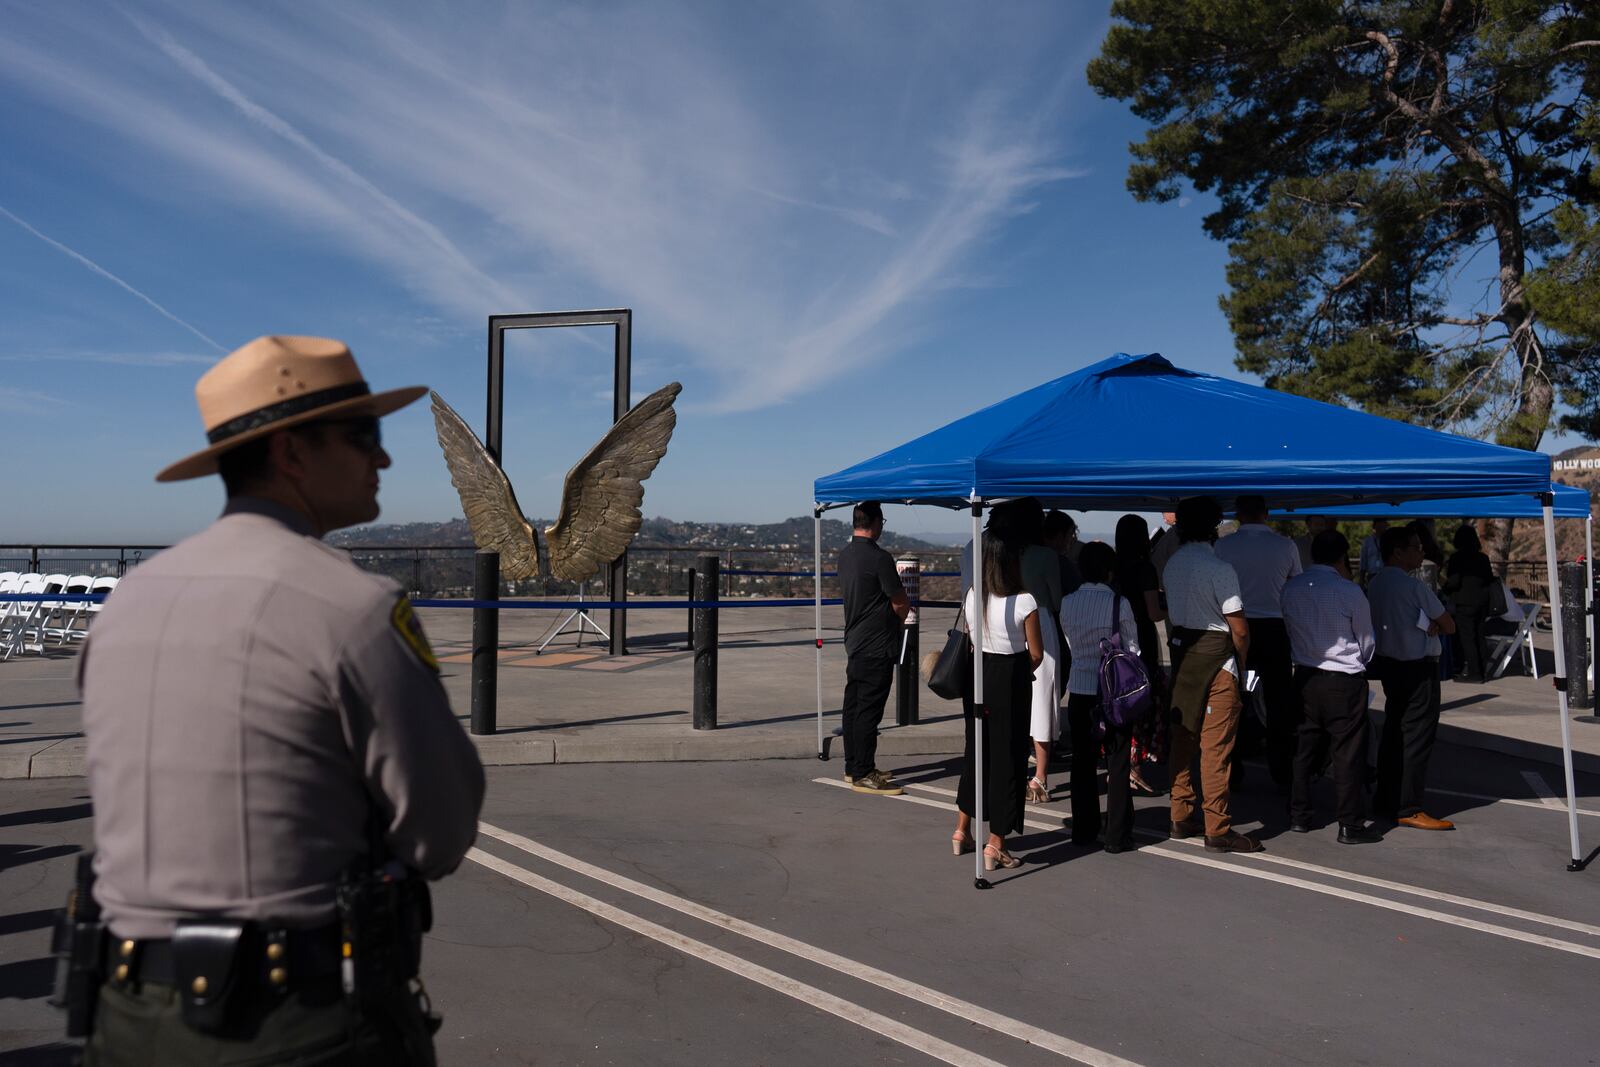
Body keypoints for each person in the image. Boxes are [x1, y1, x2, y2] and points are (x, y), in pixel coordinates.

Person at [76, 335, 486, 1065]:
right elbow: (440, 827)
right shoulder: (353, 607)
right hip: (292, 1019)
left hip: (124, 1015)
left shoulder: (125, 604)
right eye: (365, 436)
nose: (382, 459)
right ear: (292, 454)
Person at [1161, 496, 1262, 853]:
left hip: (1183, 658)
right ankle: (1217, 827)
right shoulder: (1220, 568)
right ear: (1214, 526)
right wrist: (1243, 661)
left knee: (1182, 739)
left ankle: (1179, 813)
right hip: (1219, 663)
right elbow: (1240, 628)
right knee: (1215, 747)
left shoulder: (1172, 565)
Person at [1280, 530, 1381, 844]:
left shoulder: (1291, 588)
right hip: (1343, 679)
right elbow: (1366, 640)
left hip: (1306, 675)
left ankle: (1299, 815)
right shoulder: (1349, 591)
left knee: (1302, 749)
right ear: (1342, 557)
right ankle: (1350, 824)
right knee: (1347, 753)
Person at [953, 526, 1044, 870]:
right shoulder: (1025, 600)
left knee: (976, 753)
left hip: (978, 674)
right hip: (1010, 678)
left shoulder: (974, 594)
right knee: (1007, 761)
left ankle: (962, 830)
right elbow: (1036, 653)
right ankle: (997, 843)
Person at [1368, 525, 1458, 831]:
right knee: (1417, 737)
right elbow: (1448, 625)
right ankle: (1409, 805)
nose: (1422, 551)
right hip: (1418, 666)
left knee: (1394, 732)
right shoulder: (1415, 587)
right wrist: (1434, 622)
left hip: (1388, 664)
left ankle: (1385, 798)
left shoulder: (1376, 584)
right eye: (1417, 547)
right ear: (1398, 552)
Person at [1213, 494, 1303, 791]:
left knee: (1233, 698)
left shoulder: (1224, 546)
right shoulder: (1285, 545)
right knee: (1279, 702)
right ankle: (1282, 770)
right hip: (1275, 627)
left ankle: (1233, 768)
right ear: (1266, 513)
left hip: (1237, 624)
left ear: (1238, 514)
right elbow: (1296, 583)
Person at [1059, 541, 1142, 851]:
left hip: (1080, 690)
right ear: (1110, 571)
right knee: (1118, 762)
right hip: (1114, 693)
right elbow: (1133, 649)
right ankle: (1118, 835)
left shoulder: (1068, 602)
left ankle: (1083, 829)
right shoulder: (1120, 603)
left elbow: (1069, 642)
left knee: (1082, 762)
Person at [837, 501, 911, 795]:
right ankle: (864, 772)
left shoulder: (845, 555)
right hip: (878, 644)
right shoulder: (879, 558)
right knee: (869, 710)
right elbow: (899, 601)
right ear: (877, 522)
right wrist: (903, 615)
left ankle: (852, 765)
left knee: (853, 706)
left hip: (854, 641)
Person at [1011, 499, 1063, 803]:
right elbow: (1056, 600)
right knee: (1042, 699)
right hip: (1040, 620)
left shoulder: (1006, 553)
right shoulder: (1046, 556)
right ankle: (1040, 776)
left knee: (1017, 698)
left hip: (1009, 621)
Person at [1114, 514, 1166, 795]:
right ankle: (1135, 766)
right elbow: (1153, 612)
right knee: (1140, 702)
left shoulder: (1113, 566)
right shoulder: (1145, 569)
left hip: (1115, 639)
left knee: (1119, 702)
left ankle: (1121, 764)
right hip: (1141, 639)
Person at [1443, 524, 1496, 683]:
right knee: (1479, 637)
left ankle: (1474, 673)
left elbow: (1454, 581)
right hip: (1482, 602)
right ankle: (1482, 670)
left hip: (1464, 602)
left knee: (1467, 639)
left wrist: (1446, 589)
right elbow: (1488, 579)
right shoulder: (1482, 558)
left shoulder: (1456, 558)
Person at [1359, 519, 1389, 586]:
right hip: (1372, 575)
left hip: (1386, 575)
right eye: (1381, 524)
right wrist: (1361, 579)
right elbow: (1363, 561)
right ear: (1375, 526)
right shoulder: (1367, 541)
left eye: (1385, 525)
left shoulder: (1389, 541)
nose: (1384, 527)